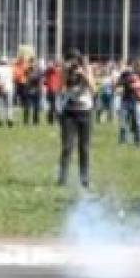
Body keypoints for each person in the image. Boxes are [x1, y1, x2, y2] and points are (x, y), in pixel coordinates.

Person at [57, 51, 94, 188]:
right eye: (70, 60)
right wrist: (66, 72)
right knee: (67, 146)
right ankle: (62, 177)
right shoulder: (65, 71)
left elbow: (93, 89)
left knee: (84, 148)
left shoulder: (86, 69)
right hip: (69, 113)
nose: (73, 63)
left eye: (75, 60)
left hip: (85, 112)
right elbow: (60, 88)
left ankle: (84, 179)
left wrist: (83, 73)